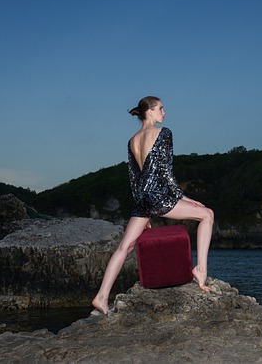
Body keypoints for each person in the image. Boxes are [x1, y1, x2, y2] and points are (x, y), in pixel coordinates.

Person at [92, 96, 214, 315]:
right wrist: (183, 198)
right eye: (161, 108)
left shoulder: (132, 140)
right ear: (149, 111)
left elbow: (134, 178)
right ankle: (200, 270)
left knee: (124, 247)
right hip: (158, 197)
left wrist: (144, 211)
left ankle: (101, 297)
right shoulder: (164, 133)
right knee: (207, 215)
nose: (164, 113)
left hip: (142, 199)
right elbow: (166, 172)